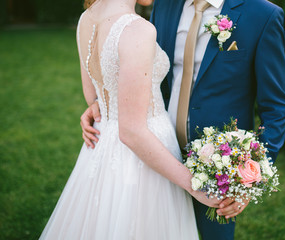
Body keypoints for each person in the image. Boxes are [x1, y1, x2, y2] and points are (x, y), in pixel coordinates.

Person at [81, 0, 285, 239]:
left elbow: (275, 107)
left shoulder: (263, 15)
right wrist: (104, 103)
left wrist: (251, 178)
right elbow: (139, 67)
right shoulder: (165, 4)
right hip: (155, 153)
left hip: (219, 169)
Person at [39, 0, 222, 239]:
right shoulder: (137, 30)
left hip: (102, 146)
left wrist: (99, 107)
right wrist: (194, 184)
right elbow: (132, 132)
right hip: (144, 158)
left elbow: (92, 95)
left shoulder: (87, 18)